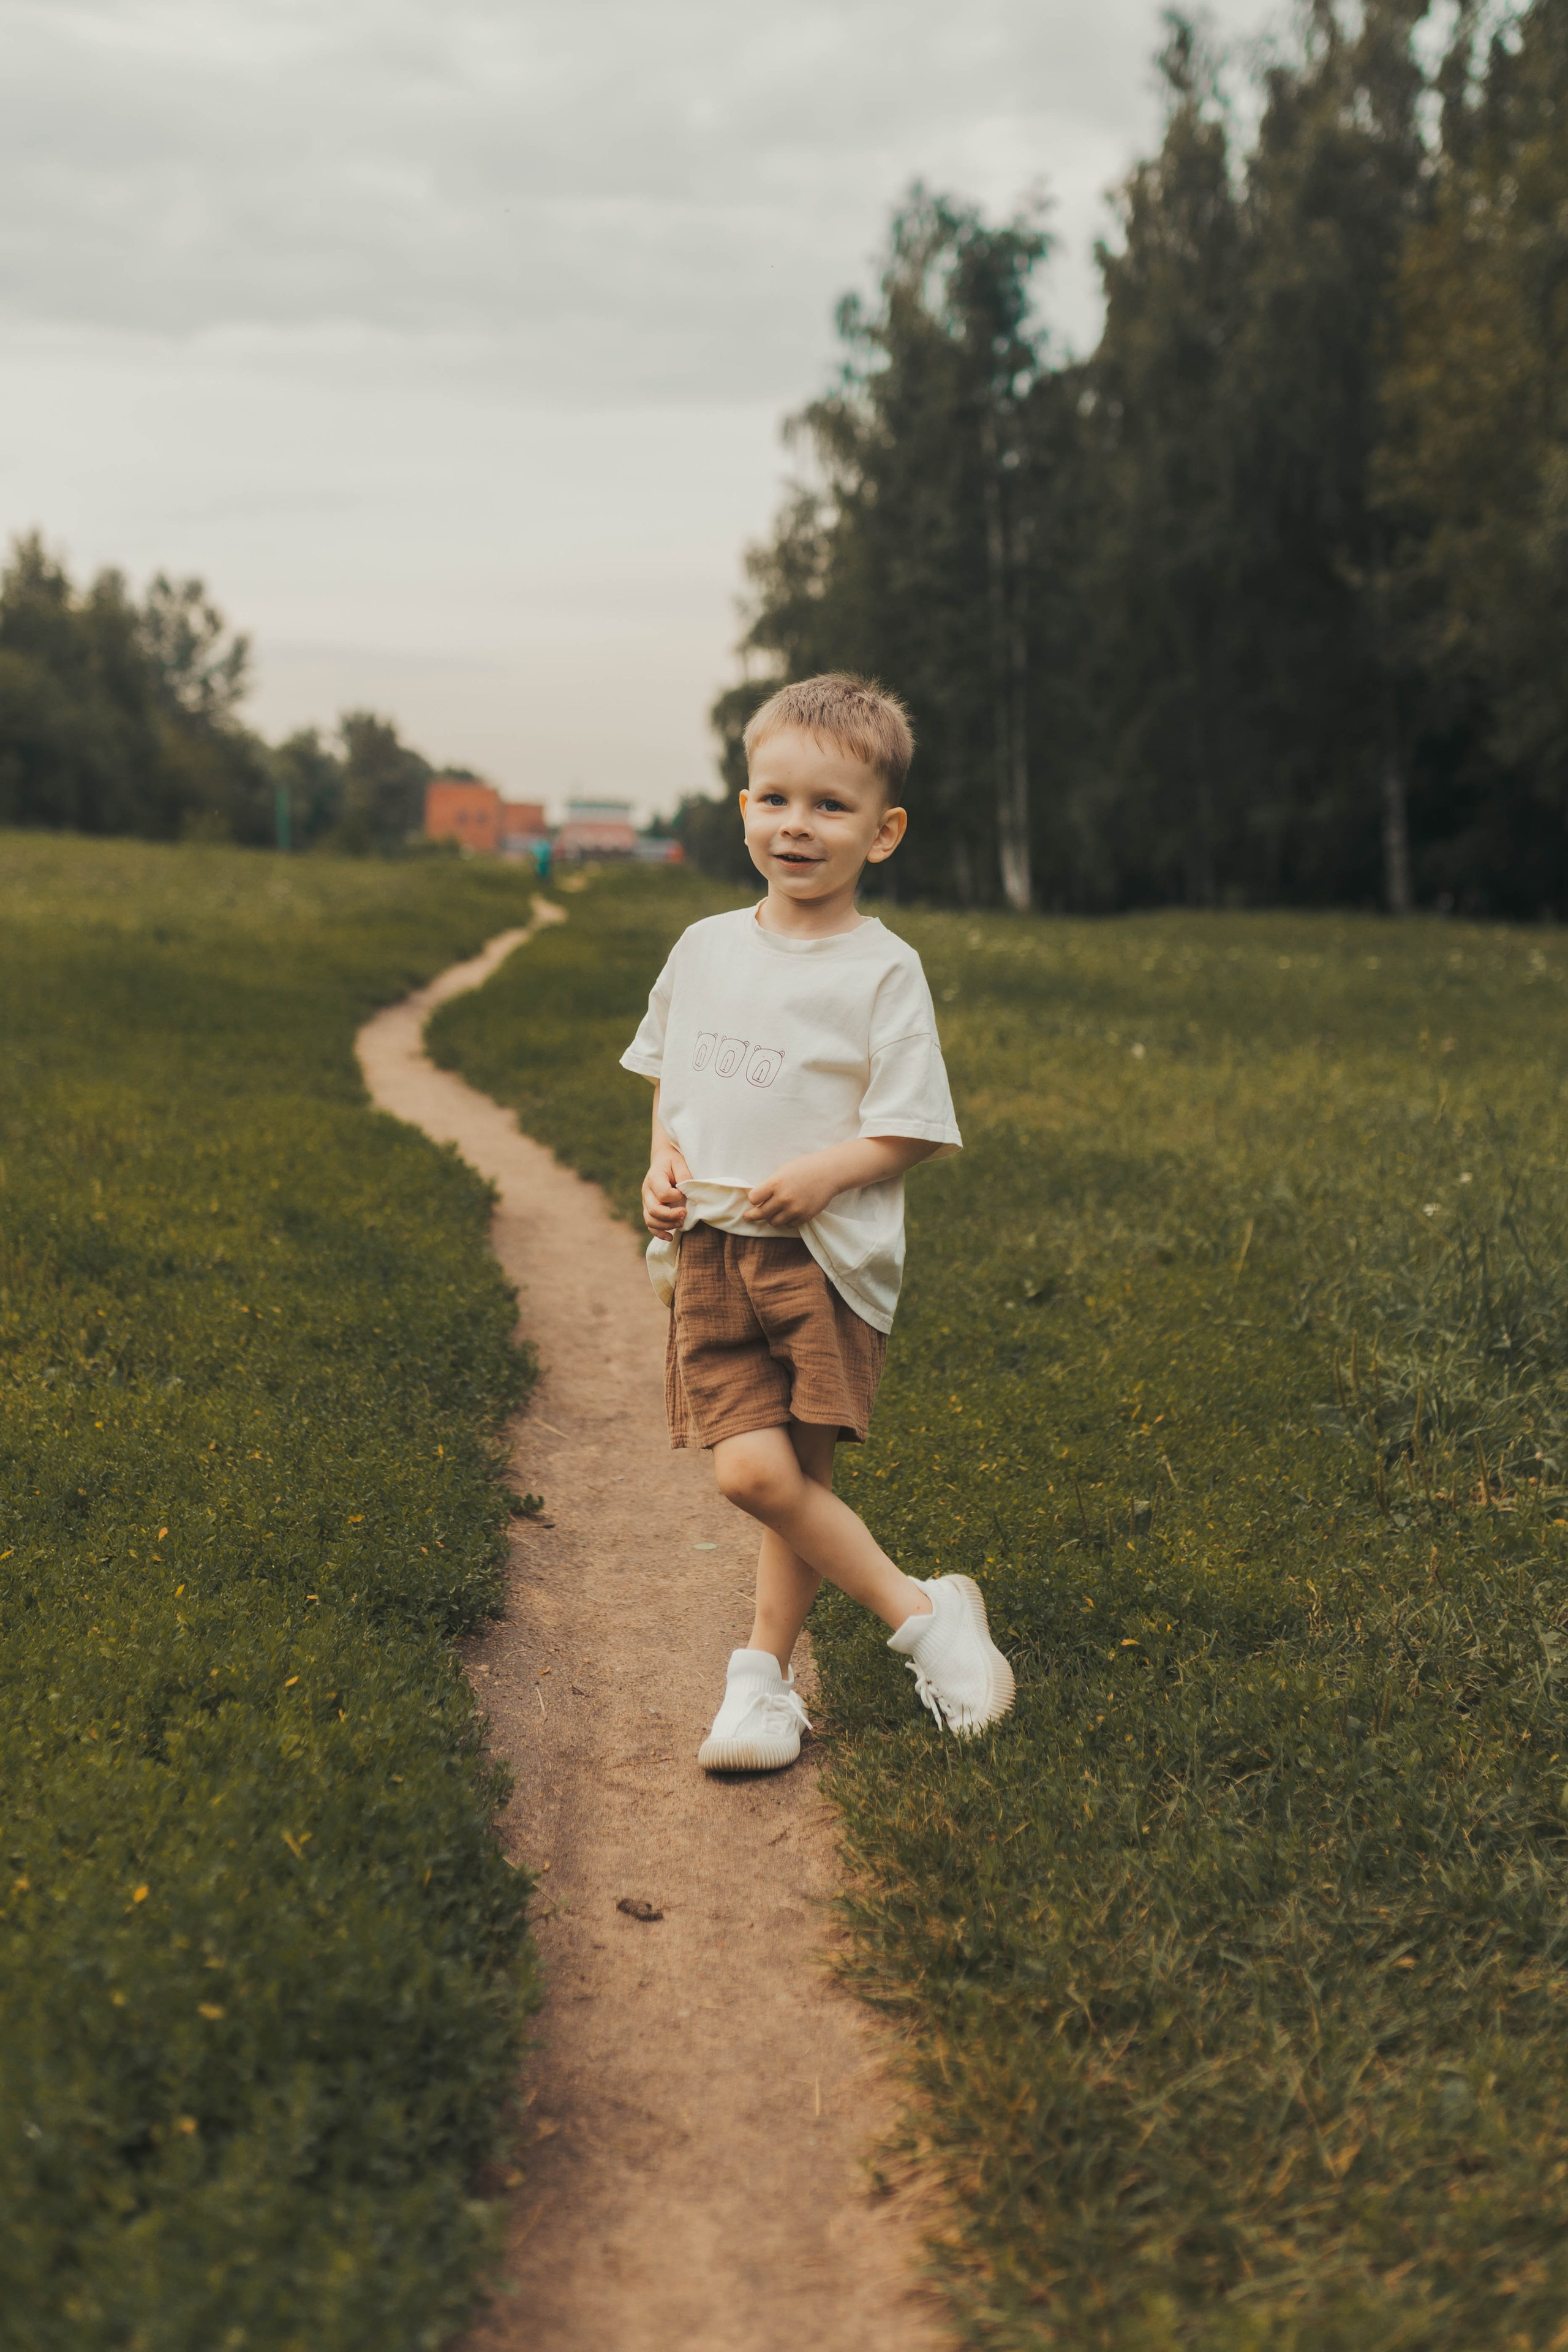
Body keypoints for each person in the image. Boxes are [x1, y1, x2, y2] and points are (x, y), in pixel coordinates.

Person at [620, 673, 1015, 1773]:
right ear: (743, 806)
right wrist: (659, 1167)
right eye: (774, 798)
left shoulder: (884, 971)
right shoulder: (704, 947)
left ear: (883, 832)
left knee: (792, 1476)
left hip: (823, 1263)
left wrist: (830, 1174)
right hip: (707, 1253)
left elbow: (916, 1128)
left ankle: (760, 1685)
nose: (797, 825)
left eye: (831, 806)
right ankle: (927, 1618)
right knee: (754, 1478)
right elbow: (672, 1076)